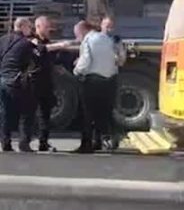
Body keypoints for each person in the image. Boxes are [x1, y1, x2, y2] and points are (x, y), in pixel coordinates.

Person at [73, 17, 123, 153]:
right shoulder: (109, 40)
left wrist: (76, 70)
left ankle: (86, 144)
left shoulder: (88, 40)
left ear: (83, 31)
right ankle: (99, 141)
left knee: (87, 114)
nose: (77, 39)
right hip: (108, 81)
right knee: (103, 113)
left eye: (77, 35)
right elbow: (119, 59)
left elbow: (86, 61)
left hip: (92, 81)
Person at [0, 17, 36, 152]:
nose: (31, 30)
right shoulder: (26, 43)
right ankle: (24, 143)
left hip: (2, 79)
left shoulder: (2, 39)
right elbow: (36, 57)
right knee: (26, 112)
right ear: (22, 27)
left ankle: (5, 144)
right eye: (29, 27)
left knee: (5, 113)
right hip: (16, 80)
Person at [29, 16, 72, 152]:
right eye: (47, 27)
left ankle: (43, 142)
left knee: (45, 114)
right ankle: (25, 141)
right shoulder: (32, 40)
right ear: (38, 27)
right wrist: (60, 45)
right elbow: (41, 50)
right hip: (33, 81)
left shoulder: (47, 41)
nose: (50, 30)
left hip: (46, 82)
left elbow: (50, 58)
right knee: (29, 113)